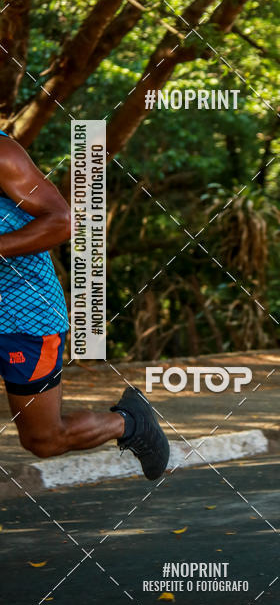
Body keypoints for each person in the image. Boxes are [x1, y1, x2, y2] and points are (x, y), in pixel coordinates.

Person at [0, 129, 169, 480]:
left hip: (24, 315)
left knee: (43, 440)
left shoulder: (3, 153)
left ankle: (128, 422)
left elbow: (61, 221)